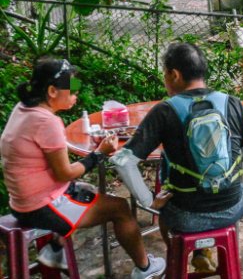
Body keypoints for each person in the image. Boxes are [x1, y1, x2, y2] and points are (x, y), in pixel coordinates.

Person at [0, 58, 165, 278]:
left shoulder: (23, 109)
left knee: (85, 189)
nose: (76, 95)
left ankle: (57, 246)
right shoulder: (47, 123)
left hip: (21, 202)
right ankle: (145, 268)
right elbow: (65, 173)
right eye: (73, 89)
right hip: (41, 207)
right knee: (120, 208)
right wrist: (99, 154)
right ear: (52, 91)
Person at [111, 43, 243, 272]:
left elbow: (123, 161)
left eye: (165, 75)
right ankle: (210, 255)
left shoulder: (165, 111)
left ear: (174, 74)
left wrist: (149, 201)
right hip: (233, 208)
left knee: (165, 214)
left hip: (186, 216)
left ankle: (180, 259)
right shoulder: (232, 103)